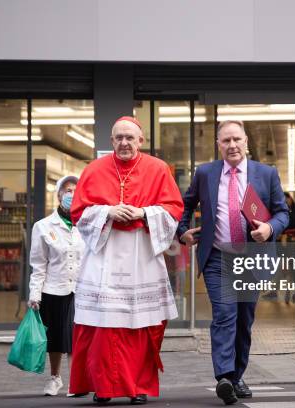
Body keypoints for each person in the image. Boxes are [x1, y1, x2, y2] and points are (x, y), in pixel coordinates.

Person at [68, 116, 183, 405]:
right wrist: (107, 212)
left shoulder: (158, 169)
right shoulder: (94, 170)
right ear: (111, 142)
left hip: (141, 253)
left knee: (142, 325)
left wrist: (144, 213)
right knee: (102, 327)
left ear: (141, 141)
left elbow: (173, 209)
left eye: (130, 138)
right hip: (104, 254)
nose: (124, 143)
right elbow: (78, 213)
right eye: (119, 138)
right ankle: (103, 388)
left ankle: (139, 387)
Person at [177, 120, 289, 405]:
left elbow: (282, 213)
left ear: (246, 142)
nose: (232, 145)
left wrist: (270, 229)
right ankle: (224, 376)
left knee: (244, 320)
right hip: (217, 257)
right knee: (225, 313)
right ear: (218, 145)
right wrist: (183, 231)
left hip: (252, 259)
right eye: (226, 141)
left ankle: (237, 376)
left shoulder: (266, 174)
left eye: (237, 139)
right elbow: (185, 204)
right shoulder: (205, 173)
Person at [28, 175, 87, 397]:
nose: (71, 194)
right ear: (59, 194)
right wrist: (35, 294)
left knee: (76, 335)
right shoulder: (42, 226)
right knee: (55, 338)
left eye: (75, 190)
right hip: (53, 289)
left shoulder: (88, 224)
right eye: (67, 190)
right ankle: (55, 377)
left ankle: (76, 380)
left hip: (81, 289)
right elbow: (38, 264)